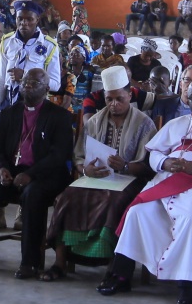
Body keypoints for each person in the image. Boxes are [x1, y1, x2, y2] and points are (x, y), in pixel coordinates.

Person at [96, 77, 192, 304]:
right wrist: (165, 163)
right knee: (137, 212)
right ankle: (121, 275)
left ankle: (188, 283)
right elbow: (154, 154)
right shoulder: (176, 123)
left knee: (191, 218)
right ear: (187, 99)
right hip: (166, 183)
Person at [46, 65, 156, 279]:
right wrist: (84, 168)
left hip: (129, 180)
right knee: (65, 198)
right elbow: (79, 156)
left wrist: (125, 166)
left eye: (119, 99)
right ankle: (60, 263)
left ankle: (113, 266)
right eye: (109, 99)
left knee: (114, 203)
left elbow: (148, 166)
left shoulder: (144, 124)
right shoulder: (95, 121)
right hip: (94, 178)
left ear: (130, 95)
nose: (113, 104)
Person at [0, 67, 74, 278]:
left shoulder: (60, 116)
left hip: (45, 177)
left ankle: (30, 263)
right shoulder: (9, 113)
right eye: (25, 83)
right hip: (12, 174)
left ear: (47, 88)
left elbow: (60, 155)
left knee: (33, 194)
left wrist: (32, 174)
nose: (28, 86)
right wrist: (0, 169)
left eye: (35, 83)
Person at [0, 2, 61, 124]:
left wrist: (25, 76)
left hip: (33, 106)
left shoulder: (49, 45)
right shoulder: (7, 41)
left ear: (37, 19)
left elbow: (55, 84)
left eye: (29, 19)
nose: (24, 23)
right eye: (20, 18)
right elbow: (1, 80)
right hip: (8, 103)